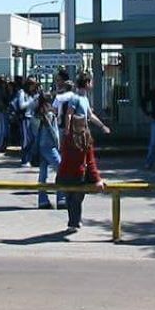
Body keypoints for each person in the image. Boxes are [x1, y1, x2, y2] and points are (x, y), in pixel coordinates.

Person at [56, 73, 109, 233]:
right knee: (76, 192)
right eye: (91, 82)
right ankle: (74, 220)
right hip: (76, 152)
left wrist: (102, 126)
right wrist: (68, 130)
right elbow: (69, 113)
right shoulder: (75, 98)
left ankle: (74, 220)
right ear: (86, 83)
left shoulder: (84, 100)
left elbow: (90, 115)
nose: (92, 84)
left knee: (75, 193)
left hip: (68, 170)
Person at [36, 94, 66, 210]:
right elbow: (54, 132)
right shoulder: (49, 115)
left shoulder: (41, 115)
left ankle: (42, 200)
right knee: (62, 169)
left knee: (43, 174)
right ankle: (61, 199)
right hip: (50, 146)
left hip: (42, 146)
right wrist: (58, 144)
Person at [14, 78, 40, 168]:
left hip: (33, 118)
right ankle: (25, 160)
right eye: (33, 85)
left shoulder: (32, 94)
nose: (34, 87)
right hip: (25, 118)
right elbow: (21, 105)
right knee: (26, 140)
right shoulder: (22, 93)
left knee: (33, 139)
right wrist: (32, 101)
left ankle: (31, 158)